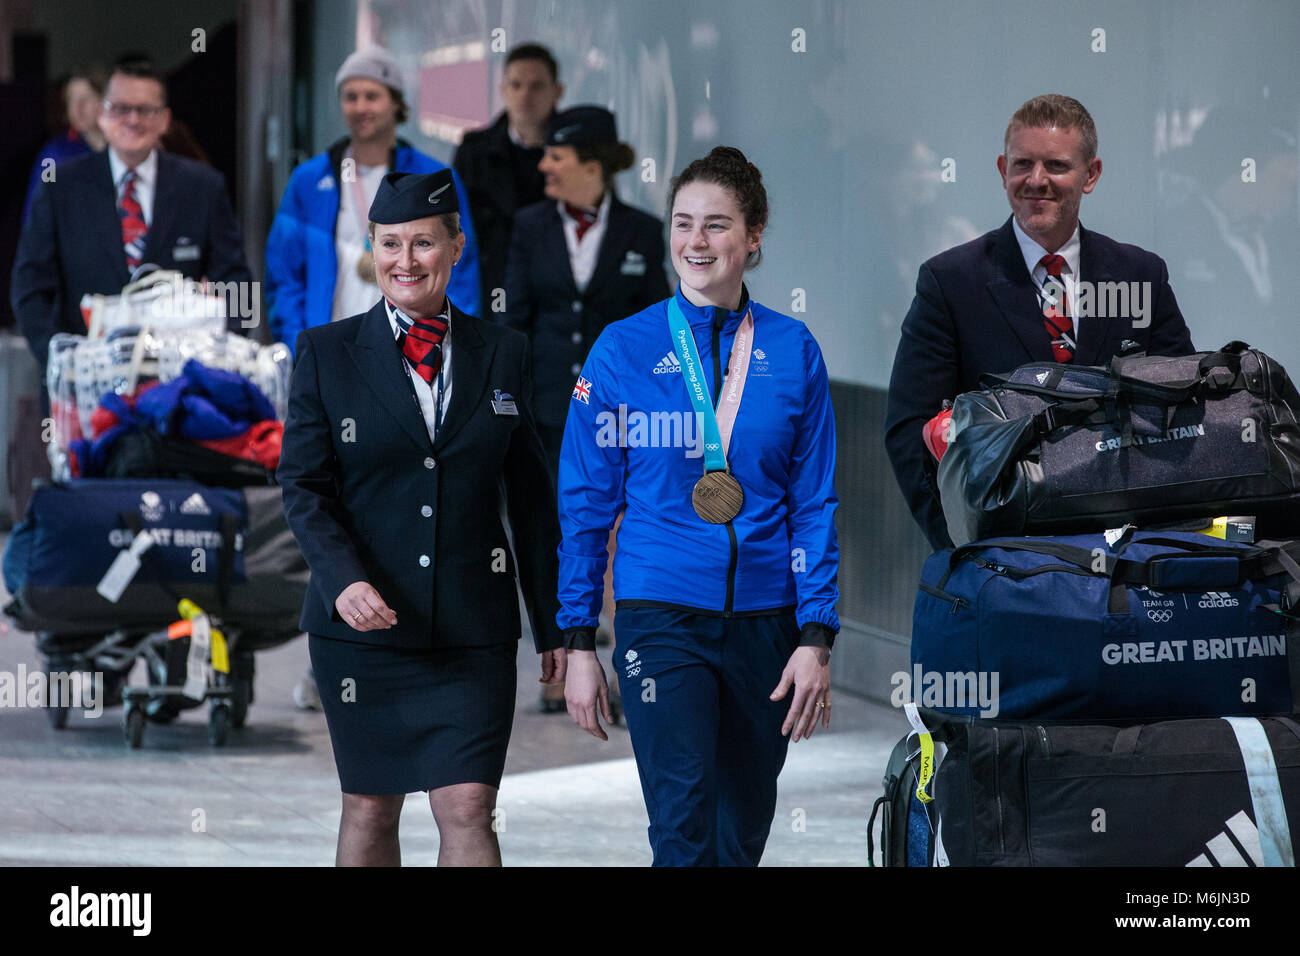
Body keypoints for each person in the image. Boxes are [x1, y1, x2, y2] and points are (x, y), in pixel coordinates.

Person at [558, 147, 840, 866]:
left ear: (753, 237)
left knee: (739, 834)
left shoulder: (793, 349)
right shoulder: (623, 349)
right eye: (684, 223)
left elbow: (813, 503)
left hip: (767, 622)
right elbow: (586, 506)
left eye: (717, 225)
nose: (696, 242)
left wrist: (816, 635)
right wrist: (579, 639)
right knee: (681, 830)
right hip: (660, 615)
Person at [277, 169, 563, 867]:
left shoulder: (505, 353)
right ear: (371, 250)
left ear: (455, 248)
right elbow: (303, 485)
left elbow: (530, 499)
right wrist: (341, 581)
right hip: (363, 631)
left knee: (468, 805)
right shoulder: (325, 353)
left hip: (472, 629)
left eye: (424, 244)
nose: (406, 261)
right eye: (391, 244)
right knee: (371, 808)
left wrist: (557, 625)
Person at [884, 94, 1195, 552]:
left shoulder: (1140, 274)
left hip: (1125, 559)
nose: (1036, 181)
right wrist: (961, 547)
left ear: (1091, 175)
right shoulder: (950, 282)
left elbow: (1185, 408)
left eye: (1056, 165)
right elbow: (911, 432)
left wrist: (1161, 542)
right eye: (1022, 164)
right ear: (1001, 169)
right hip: (1005, 559)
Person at [11, 59, 252, 372]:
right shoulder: (60, 186)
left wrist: (216, 359)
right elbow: (29, 286)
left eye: (146, 110)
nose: (133, 120)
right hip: (85, 383)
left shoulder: (203, 186)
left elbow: (238, 284)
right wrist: (60, 358)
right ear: (102, 115)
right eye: (120, 108)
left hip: (180, 386)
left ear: (164, 119)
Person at [265, 46, 481, 354]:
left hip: (414, 352)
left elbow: (461, 270)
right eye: (350, 97)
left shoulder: (433, 178)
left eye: (372, 96)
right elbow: (284, 274)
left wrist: (450, 348)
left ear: (396, 102)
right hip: (331, 350)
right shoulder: (309, 180)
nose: (360, 106)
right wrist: (299, 345)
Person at [504, 104, 670, 476]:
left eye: (556, 156)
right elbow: (514, 319)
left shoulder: (642, 230)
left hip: (620, 411)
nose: (543, 165)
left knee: (613, 520)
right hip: (544, 410)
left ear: (592, 168)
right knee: (547, 521)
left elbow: (655, 326)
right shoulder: (530, 226)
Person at [453, 42, 564, 312]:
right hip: (490, 290)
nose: (525, 95)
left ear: (557, 92)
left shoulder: (577, 154)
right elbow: (454, 224)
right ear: (503, 91)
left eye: (536, 86)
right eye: (516, 85)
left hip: (556, 296)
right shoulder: (473, 150)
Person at [23, 68, 107, 223]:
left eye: (87, 98)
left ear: (105, 101)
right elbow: (39, 210)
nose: (77, 108)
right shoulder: (54, 155)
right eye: (71, 99)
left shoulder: (124, 150)